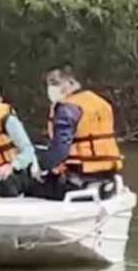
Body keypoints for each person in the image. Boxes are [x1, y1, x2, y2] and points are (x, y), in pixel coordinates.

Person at [29, 65, 124, 200]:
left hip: (79, 179)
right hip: (107, 175)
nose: (51, 88)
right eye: (49, 84)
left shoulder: (67, 109)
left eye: (55, 83)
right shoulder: (101, 103)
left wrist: (41, 165)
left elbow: (60, 152)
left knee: (29, 184)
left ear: (71, 83)